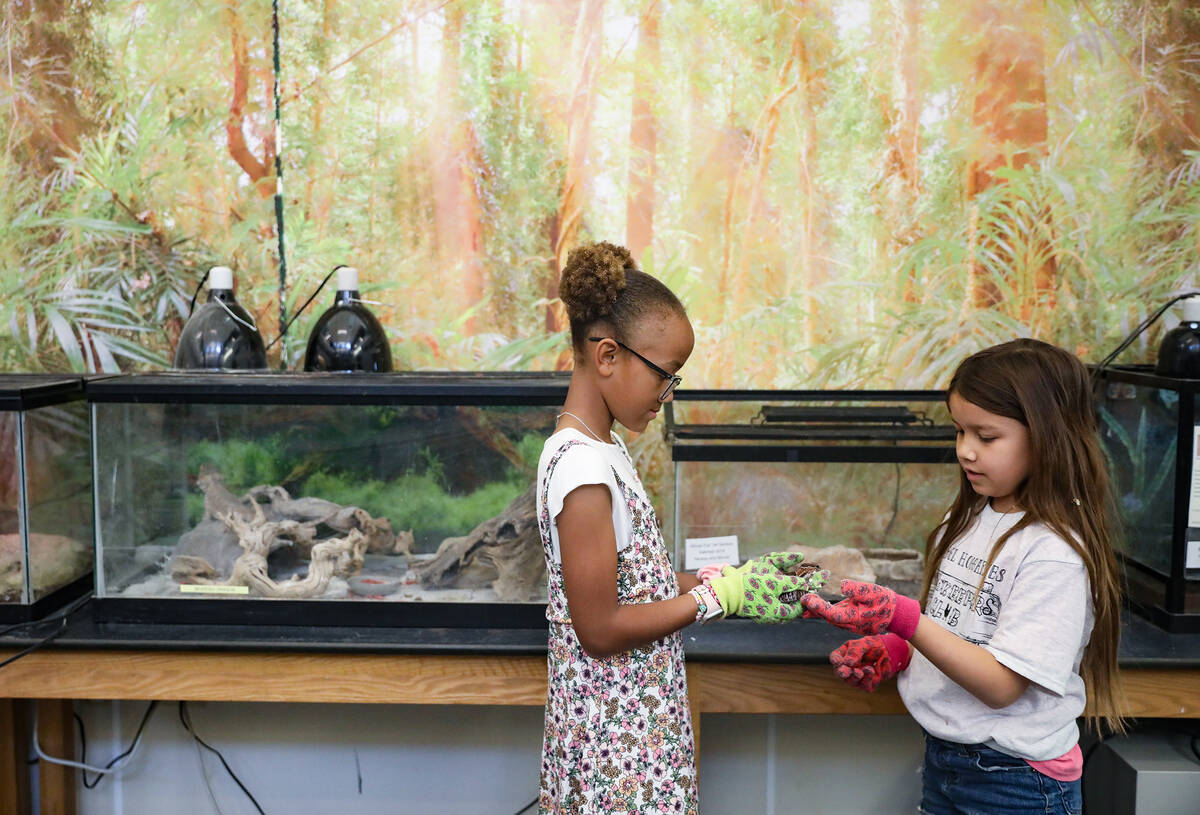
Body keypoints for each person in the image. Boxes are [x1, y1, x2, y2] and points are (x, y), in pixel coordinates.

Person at [536, 241, 822, 814]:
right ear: (609, 356)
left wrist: (734, 582)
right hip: (614, 753)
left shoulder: (604, 448)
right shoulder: (583, 467)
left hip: (639, 735)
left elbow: (639, 583)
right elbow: (600, 628)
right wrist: (718, 598)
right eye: (666, 374)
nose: (668, 394)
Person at [801, 338, 1125, 815]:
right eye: (959, 432)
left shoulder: (1052, 552)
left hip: (1016, 781)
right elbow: (959, 631)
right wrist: (900, 650)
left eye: (986, 437)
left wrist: (904, 619)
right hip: (948, 761)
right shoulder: (971, 515)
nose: (966, 452)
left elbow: (1001, 685)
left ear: (1048, 435)